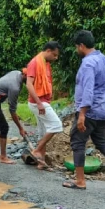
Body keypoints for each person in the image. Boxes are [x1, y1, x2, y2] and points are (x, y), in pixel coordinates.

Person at [63, 30, 105, 190]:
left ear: (81, 45)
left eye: (77, 47)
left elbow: (88, 89)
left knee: (78, 141)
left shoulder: (88, 63)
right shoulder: (103, 58)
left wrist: (82, 114)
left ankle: (80, 181)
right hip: (103, 109)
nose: (76, 50)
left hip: (90, 111)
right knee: (101, 141)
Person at [26, 41, 63, 170]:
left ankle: (41, 162)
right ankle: (36, 151)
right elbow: (29, 84)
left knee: (43, 131)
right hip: (38, 103)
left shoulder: (45, 63)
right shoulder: (35, 63)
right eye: (54, 55)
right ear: (48, 51)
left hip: (42, 101)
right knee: (56, 125)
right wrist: (39, 103)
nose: (56, 58)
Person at [0, 69, 28, 164]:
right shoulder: (15, 87)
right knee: (4, 127)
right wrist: (20, 128)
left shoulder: (16, 73)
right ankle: (3, 157)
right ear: (25, 76)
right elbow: (12, 110)